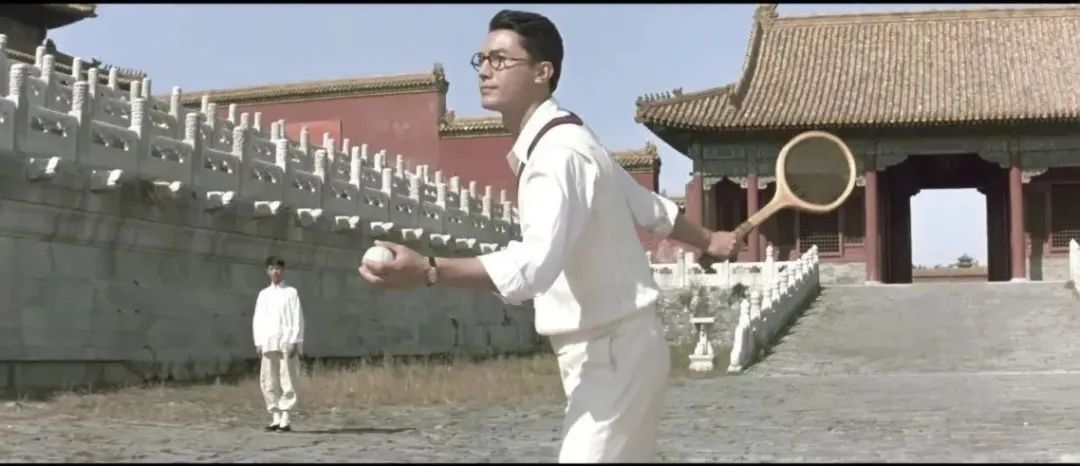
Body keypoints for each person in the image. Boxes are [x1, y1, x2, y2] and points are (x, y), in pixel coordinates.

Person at [358, 9, 739, 463]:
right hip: (610, 354)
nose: (484, 70)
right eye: (482, 59)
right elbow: (649, 207)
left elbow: (534, 265)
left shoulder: (559, 155)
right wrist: (709, 240)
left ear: (543, 72)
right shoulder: (572, 140)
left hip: (614, 353)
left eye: (500, 59)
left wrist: (429, 270)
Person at [252, 255, 305, 433]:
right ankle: (275, 416)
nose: (275, 272)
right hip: (268, 341)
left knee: (287, 378)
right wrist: (259, 342)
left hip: (285, 341)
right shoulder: (264, 294)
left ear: (283, 271)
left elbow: (297, 318)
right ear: (267, 271)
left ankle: (286, 417)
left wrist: (295, 340)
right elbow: (258, 319)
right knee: (268, 380)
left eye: (278, 268)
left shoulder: (291, 292)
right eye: (272, 268)